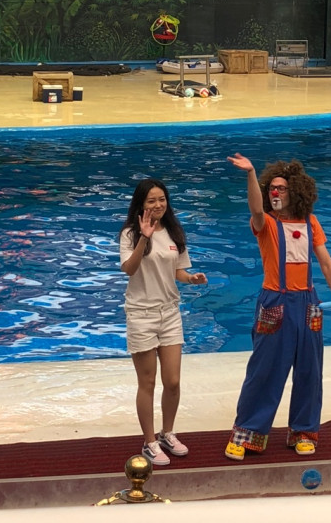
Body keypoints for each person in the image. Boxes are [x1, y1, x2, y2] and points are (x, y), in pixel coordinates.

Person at [224, 154, 331, 461]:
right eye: (271, 188)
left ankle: (303, 432)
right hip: (276, 302)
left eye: (281, 188)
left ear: (295, 191)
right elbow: (255, 208)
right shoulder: (266, 223)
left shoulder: (311, 223)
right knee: (264, 372)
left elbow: (326, 264)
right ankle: (247, 433)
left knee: (310, 372)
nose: (275, 192)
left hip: (309, 305)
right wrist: (251, 173)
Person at [119, 178, 207, 466]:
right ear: (141, 204)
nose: (158, 205)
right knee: (147, 382)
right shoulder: (130, 233)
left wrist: (191, 278)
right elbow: (129, 269)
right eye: (151, 201)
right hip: (141, 314)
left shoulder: (173, 231)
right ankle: (149, 442)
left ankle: (167, 432)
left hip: (169, 313)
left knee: (173, 381)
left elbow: (178, 270)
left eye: (162, 199)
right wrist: (144, 238)